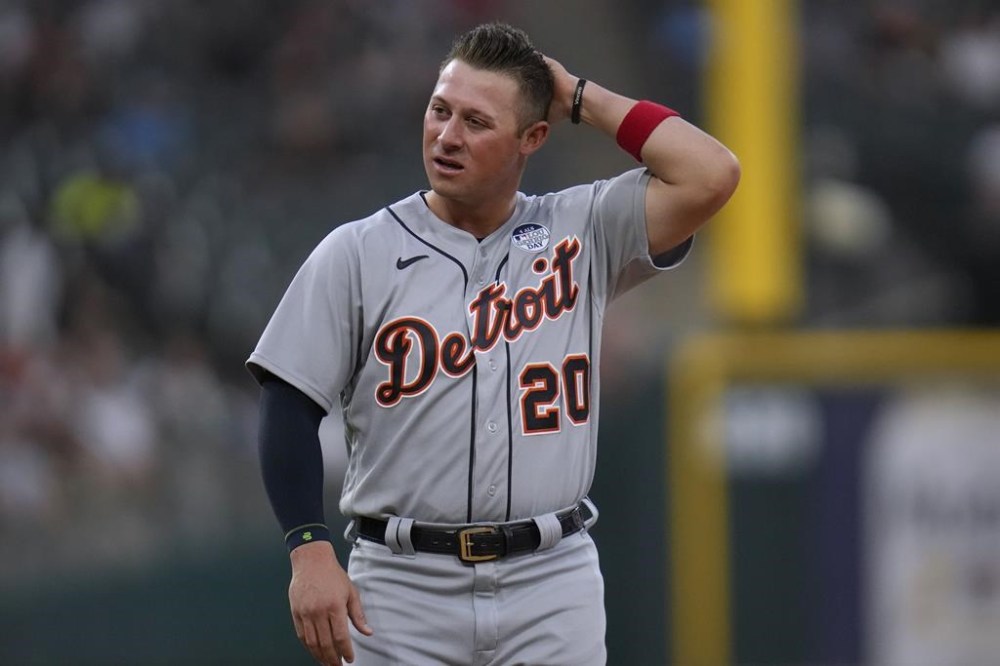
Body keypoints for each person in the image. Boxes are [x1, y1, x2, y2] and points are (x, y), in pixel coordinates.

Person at [247, 22, 739, 666]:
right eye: (439, 110)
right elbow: (288, 403)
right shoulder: (358, 252)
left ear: (532, 138)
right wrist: (308, 549)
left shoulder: (583, 229)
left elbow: (711, 173)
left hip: (551, 579)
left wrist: (580, 97)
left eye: (477, 122)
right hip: (401, 585)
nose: (447, 136)